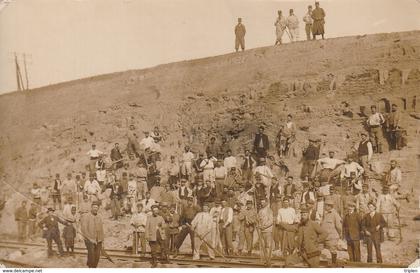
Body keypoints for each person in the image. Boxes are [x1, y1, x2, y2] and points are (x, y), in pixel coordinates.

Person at [80, 201, 104, 268]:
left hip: (98, 240)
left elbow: (101, 229)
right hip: (89, 240)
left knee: (97, 256)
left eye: (97, 207)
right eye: (94, 207)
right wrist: (90, 239)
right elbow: (84, 230)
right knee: (92, 256)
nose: (95, 209)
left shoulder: (99, 216)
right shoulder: (86, 216)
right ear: (91, 208)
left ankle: (93, 266)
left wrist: (102, 240)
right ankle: (91, 267)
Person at [320, 198, 342, 265]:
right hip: (325, 236)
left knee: (333, 251)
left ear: (330, 206)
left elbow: (339, 226)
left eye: (326, 205)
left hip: (332, 237)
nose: (324, 207)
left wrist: (338, 235)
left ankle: (334, 264)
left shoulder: (335, 214)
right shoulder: (325, 214)